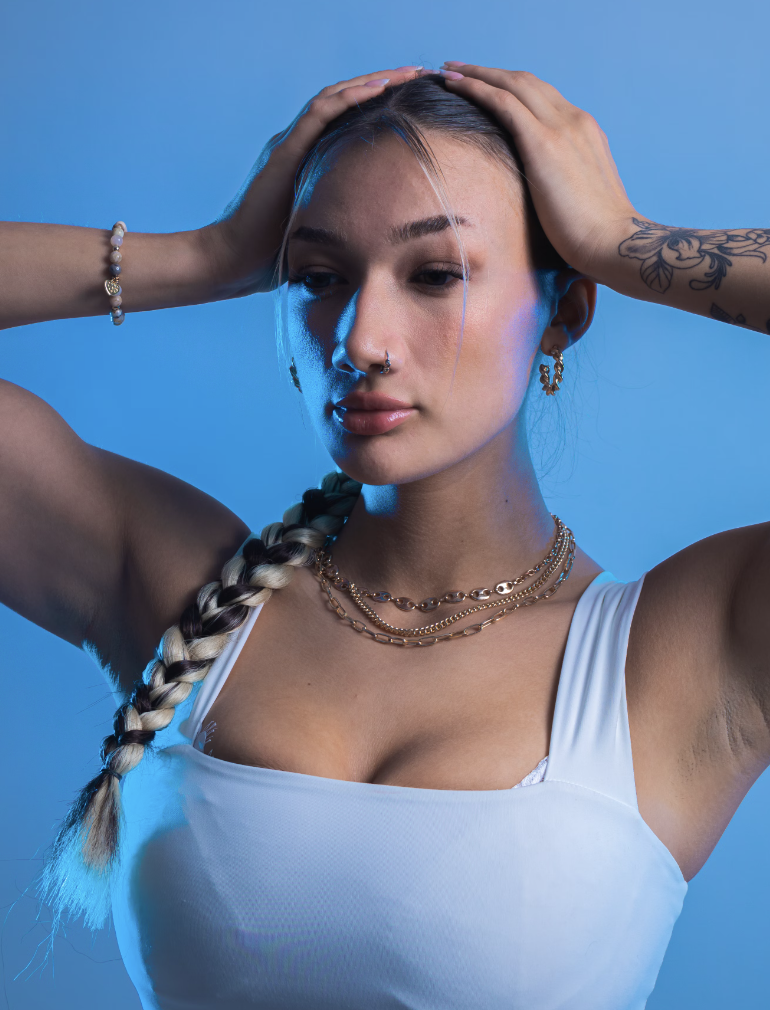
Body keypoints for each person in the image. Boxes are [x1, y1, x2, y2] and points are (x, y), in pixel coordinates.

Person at [1, 63, 769, 1009]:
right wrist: (204, 255)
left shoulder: (687, 654)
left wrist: (622, 241)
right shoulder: (177, 588)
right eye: (318, 277)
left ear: (565, 310)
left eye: (436, 274)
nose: (361, 337)